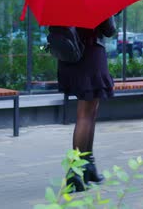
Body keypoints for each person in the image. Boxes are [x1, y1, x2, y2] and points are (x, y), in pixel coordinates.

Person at [57, 16, 117, 192]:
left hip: (71, 56)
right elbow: (109, 29)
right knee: (85, 114)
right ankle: (75, 172)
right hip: (89, 53)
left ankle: (88, 167)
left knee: (89, 113)